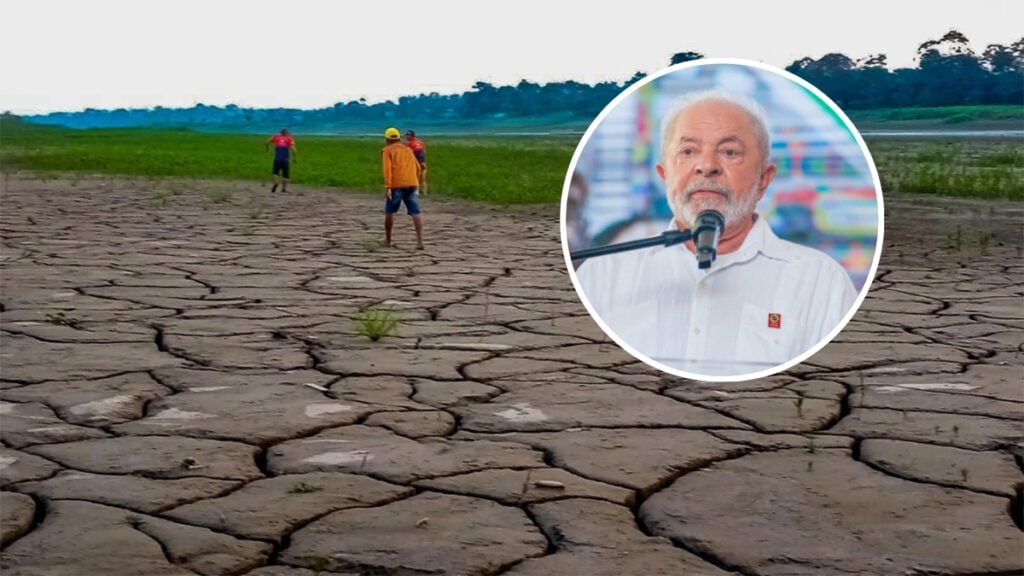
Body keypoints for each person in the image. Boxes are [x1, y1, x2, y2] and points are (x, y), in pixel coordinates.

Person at [574, 89, 857, 377]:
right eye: (688, 151)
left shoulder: (821, 282)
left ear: (763, 180)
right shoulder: (602, 273)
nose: (706, 166)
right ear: (664, 176)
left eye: (729, 152)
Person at [381, 127, 425, 249]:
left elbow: (387, 170)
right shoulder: (408, 149)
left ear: (387, 139)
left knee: (389, 211)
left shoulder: (387, 151)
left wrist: (388, 187)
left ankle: (388, 241)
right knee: (415, 212)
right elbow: (418, 167)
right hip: (412, 184)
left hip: (396, 185)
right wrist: (417, 181)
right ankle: (420, 242)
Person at [266, 128, 297, 193]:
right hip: (285, 160)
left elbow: (267, 142)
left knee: (275, 172)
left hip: (277, 159)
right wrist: (295, 158)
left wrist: (267, 148)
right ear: (287, 133)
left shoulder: (276, 137)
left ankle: (276, 182)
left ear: (280, 133)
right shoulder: (289, 139)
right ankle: (283, 189)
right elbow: (293, 149)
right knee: (286, 175)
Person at [404, 129, 428, 194]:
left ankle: (415, 192)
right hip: (423, 162)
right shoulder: (420, 142)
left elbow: (407, 154)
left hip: (416, 162)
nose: (406, 137)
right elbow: (424, 151)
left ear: (411, 136)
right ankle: (424, 193)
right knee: (423, 178)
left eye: (407, 136)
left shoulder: (409, 144)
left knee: (414, 177)